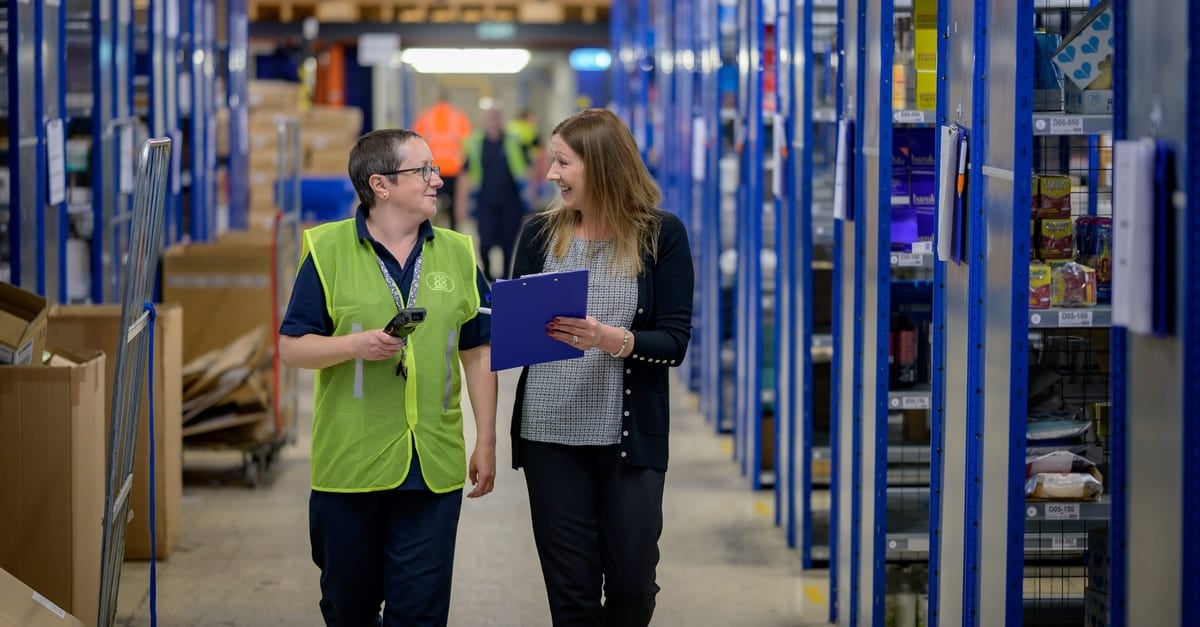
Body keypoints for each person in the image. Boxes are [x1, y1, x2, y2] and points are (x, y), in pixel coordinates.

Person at [278, 128, 497, 626]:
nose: (437, 180)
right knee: (348, 608)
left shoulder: (459, 253)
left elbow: (477, 349)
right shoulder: (326, 250)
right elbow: (291, 348)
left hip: (433, 464)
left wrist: (485, 440)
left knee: (420, 613)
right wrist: (354, 346)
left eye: (434, 169)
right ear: (380, 184)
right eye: (423, 171)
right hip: (351, 465)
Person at [507, 108, 694, 626]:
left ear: (602, 165)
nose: (551, 175)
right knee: (572, 595)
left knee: (634, 587)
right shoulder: (539, 235)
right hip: (550, 436)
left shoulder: (662, 236)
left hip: (627, 442)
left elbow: (674, 342)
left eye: (563, 162)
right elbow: (518, 335)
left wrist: (608, 339)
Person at [456, 106, 530, 281]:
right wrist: (461, 203)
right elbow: (465, 175)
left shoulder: (512, 141)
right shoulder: (475, 143)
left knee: (509, 244)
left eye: (495, 117)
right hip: (485, 203)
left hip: (511, 202)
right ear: (484, 120)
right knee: (485, 242)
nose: (492, 121)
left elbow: (527, 168)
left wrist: (531, 194)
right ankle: (488, 274)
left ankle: (505, 280)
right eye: (489, 118)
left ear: (500, 119)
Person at [412, 93, 473, 231]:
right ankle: (452, 232)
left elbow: (414, 142)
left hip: (431, 169)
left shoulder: (425, 117)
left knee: (429, 203)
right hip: (454, 169)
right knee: (452, 207)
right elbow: (468, 144)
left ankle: (428, 232)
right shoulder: (459, 117)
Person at [506, 108, 545, 208]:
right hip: (522, 168)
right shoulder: (525, 129)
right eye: (533, 118)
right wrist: (531, 166)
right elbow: (526, 149)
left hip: (512, 169)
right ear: (526, 117)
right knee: (528, 194)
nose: (535, 121)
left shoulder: (511, 127)